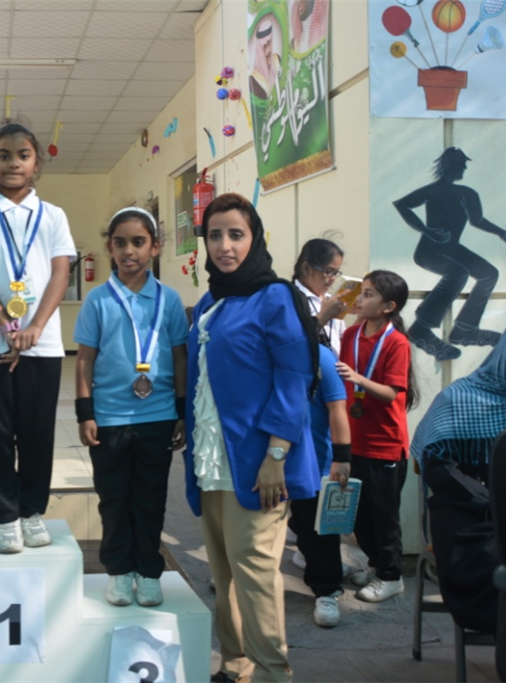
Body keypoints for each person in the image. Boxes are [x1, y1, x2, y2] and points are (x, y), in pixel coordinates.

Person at [183, 193, 318, 683]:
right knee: (224, 572)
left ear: (255, 238)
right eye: (215, 235)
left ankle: (273, 672)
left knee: (256, 571)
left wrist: (276, 454)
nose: (225, 246)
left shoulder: (275, 297)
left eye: (236, 235)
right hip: (213, 458)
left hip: (259, 463)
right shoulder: (210, 302)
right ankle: (235, 664)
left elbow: (294, 378)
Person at [0, 123, 76, 554]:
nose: (13, 163)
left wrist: (34, 328)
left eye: (23, 155)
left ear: (36, 162)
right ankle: (5, 517)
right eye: (4, 155)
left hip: (42, 344)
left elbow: (60, 274)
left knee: (37, 433)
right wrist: (9, 327)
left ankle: (31, 512)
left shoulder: (53, 215)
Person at [74, 207, 188, 607]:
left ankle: (149, 571)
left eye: (138, 242)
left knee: (150, 499)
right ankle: (119, 572)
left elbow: (179, 359)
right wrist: (85, 413)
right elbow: (84, 361)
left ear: (155, 247)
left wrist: (181, 411)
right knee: (114, 499)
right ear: (109, 247)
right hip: (109, 419)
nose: (129, 251)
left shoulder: (169, 300)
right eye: (120, 243)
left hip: (158, 417)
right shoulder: (97, 300)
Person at [412, 325, 506, 634]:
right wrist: (494, 505)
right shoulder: (456, 399)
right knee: (497, 559)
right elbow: (440, 471)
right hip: (465, 512)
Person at [335, 270, 418, 603]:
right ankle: (375, 565)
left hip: (384, 444)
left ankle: (391, 576)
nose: (359, 299)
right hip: (354, 440)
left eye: (368, 294)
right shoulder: (351, 334)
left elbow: (391, 393)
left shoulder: (396, 342)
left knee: (384, 516)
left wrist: (358, 379)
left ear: (388, 307)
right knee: (359, 515)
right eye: (361, 292)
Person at [394, 147, 506, 361]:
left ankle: (465, 329)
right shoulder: (432, 191)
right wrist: (427, 231)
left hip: (452, 248)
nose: (463, 169)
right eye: (460, 165)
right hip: (429, 250)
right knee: (458, 273)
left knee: (489, 273)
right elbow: (402, 205)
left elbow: (477, 220)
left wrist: (503, 233)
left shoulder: (467, 193)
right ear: (448, 167)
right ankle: (420, 329)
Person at [286, 343, 352, 627]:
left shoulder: (321, 356)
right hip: (270, 459)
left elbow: (337, 407)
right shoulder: (266, 349)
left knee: (320, 530)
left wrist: (342, 457)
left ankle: (327, 590)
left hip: (313, 461)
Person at [292, 238, 348, 355]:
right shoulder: (291, 297)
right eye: (328, 271)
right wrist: (324, 315)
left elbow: (342, 339)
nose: (332, 278)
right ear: (307, 269)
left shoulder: (331, 299)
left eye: (336, 273)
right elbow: (293, 341)